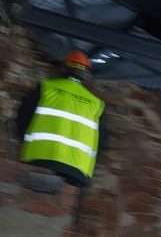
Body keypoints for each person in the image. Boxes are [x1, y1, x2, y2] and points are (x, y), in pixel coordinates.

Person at [13, 51, 108, 189]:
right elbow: (101, 141)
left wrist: (24, 140)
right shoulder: (96, 104)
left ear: (64, 68)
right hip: (77, 170)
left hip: (40, 158)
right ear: (86, 73)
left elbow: (24, 117)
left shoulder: (47, 88)